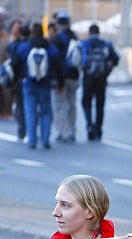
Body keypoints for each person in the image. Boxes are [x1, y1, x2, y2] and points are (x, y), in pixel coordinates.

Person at [12, 22, 62, 149]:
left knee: (30, 112)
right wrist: (60, 82)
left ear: (32, 33)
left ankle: (32, 140)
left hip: (28, 84)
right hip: (45, 84)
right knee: (46, 112)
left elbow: (16, 64)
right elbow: (58, 64)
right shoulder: (49, 47)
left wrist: (16, 79)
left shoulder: (25, 46)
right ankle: (45, 139)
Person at [79, 23, 119, 141]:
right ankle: (98, 129)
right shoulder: (106, 44)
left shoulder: (84, 44)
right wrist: (108, 70)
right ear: (99, 32)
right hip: (101, 78)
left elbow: (78, 58)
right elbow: (116, 58)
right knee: (100, 104)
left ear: (89, 32)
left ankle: (89, 125)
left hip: (88, 77)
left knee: (86, 102)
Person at [51, 10, 79, 143]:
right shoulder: (74, 37)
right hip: (74, 76)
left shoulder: (57, 39)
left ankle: (64, 132)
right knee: (72, 104)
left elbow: (54, 59)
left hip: (60, 77)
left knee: (60, 105)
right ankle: (72, 130)